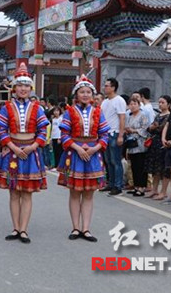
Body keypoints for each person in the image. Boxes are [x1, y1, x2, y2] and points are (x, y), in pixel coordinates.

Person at [0, 63, 49, 244]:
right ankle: (15, 228)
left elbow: (43, 131)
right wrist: (12, 146)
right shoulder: (7, 108)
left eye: (26, 86)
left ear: (31, 88)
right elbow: (1, 130)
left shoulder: (38, 108)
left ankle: (24, 229)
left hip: (31, 151)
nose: (23, 89)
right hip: (12, 151)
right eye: (20, 85)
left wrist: (33, 146)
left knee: (27, 193)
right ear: (14, 88)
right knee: (14, 191)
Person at [58, 75, 109, 242]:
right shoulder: (69, 112)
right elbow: (64, 135)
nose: (86, 95)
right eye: (82, 92)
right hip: (75, 154)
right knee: (75, 193)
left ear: (93, 95)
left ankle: (86, 228)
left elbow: (104, 135)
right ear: (76, 95)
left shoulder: (98, 112)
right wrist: (78, 148)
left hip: (93, 155)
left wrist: (95, 148)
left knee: (88, 194)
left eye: (88, 92)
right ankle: (75, 227)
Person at [101, 78, 126, 196]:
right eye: (105, 86)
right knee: (108, 160)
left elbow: (122, 118)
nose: (104, 88)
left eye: (107, 86)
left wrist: (121, 135)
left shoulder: (119, 100)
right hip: (105, 134)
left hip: (115, 133)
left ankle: (118, 185)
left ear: (113, 87)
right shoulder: (105, 101)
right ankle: (110, 183)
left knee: (115, 160)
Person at [146, 95, 171, 200]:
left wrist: (155, 127)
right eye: (159, 102)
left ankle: (163, 191)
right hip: (154, 143)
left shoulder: (169, 116)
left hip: (163, 143)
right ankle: (154, 189)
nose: (160, 104)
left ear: (168, 104)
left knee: (164, 168)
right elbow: (150, 128)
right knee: (155, 168)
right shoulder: (158, 115)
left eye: (163, 102)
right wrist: (152, 127)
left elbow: (162, 128)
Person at [124, 97, 150, 196]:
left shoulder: (143, 115)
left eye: (135, 104)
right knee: (134, 166)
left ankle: (142, 187)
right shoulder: (129, 116)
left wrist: (134, 130)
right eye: (131, 104)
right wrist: (127, 130)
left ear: (139, 105)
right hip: (131, 143)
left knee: (141, 166)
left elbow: (145, 129)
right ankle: (136, 186)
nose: (132, 106)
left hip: (140, 143)